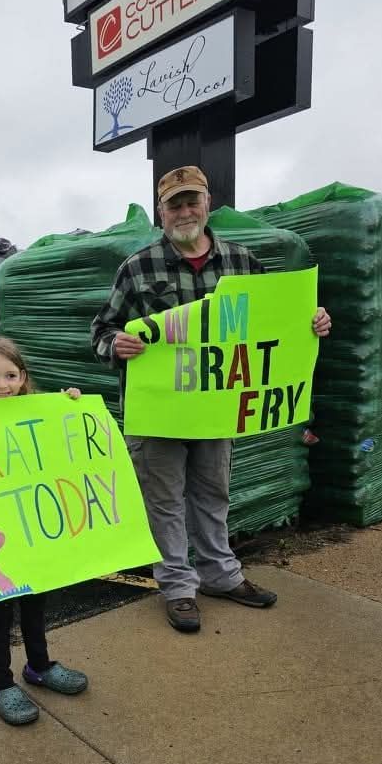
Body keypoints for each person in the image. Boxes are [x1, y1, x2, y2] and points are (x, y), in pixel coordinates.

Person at [91, 165, 332, 634]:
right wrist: (115, 344)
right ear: (161, 212)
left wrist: (313, 321)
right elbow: (100, 331)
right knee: (164, 502)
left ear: (207, 203)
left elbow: (275, 320)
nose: (184, 211)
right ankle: (179, 588)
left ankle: (221, 576)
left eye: (191, 201)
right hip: (157, 412)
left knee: (213, 494)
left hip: (217, 409)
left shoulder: (242, 262)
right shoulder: (138, 267)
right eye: (174, 204)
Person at [0, 335, 89, 725]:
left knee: (36, 603)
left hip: (31, 536)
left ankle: (39, 666)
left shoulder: (36, 414)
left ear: (23, 377)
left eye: (10, 375)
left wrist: (69, 405)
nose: (1, 385)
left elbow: (61, 447)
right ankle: (0, 682)